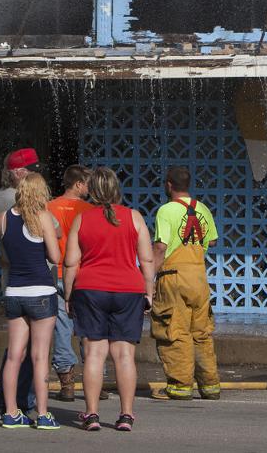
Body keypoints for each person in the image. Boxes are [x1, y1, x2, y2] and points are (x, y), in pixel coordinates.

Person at [63, 167, 156, 432]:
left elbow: (71, 262)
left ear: (91, 190)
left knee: (94, 353)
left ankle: (91, 414)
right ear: (117, 189)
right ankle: (126, 415)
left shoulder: (82, 219)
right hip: (129, 290)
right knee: (125, 354)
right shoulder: (134, 217)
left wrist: (69, 294)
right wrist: (148, 293)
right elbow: (147, 259)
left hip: (91, 289)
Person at [0, 172, 62, 430]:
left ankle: (10, 413)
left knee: (14, 355)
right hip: (41, 292)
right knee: (40, 356)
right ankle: (43, 414)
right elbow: (55, 257)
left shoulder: (2, 220)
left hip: (14, 291)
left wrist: (1, 261)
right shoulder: (43, 218)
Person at [150, 166, 221, 401]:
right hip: (199, 277)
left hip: (174, 276)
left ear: (168, 185)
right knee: (201, 332)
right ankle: (210, 385)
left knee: (175, 330)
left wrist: (149, 277)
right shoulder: (203, 209)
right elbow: (211, 243)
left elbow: (160, 247)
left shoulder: (166, 211)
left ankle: (180, 386)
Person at [0, 147, 42, 418]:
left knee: (17, 349)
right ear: (20, 173)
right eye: (33, 170)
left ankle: (2, 402)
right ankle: (17, 402)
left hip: (13, 279)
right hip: (31, 281)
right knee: (27, 351)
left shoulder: (0, 196)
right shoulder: (16, 200)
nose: (36, 175)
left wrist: (1, 261)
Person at [48, 164, 93, 401]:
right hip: (83, 274)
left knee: (62, 328)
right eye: (86, 183)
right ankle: (93, 381)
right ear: (78, 184)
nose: (89, 188)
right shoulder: (90, 211)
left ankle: (67, 384)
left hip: (56, 274)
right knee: (89, 327)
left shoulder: (48, 208)